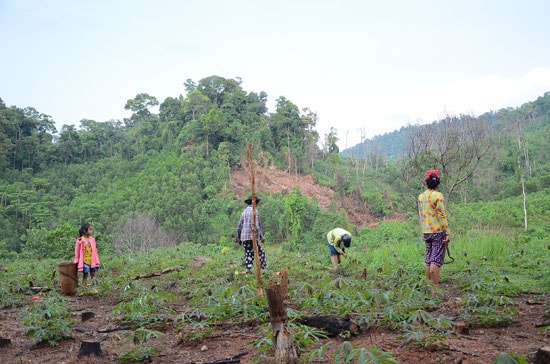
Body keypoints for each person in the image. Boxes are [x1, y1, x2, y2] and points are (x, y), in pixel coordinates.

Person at [418, 169, 450, 285]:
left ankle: (428, 286)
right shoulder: (438, 196)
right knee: (435, 260)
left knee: (429, 259)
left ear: (427, 181)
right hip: (437, 231)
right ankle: (434, 288)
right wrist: (447, 232)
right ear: (438, 182)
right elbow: (441, 215)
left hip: (426, 232)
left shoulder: (421, 197)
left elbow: (421, 214)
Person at [236, 196, 267, 273]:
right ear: (255, 203)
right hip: (252, 236)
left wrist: (239, 238)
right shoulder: (255, 211)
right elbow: (257, 226)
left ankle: (249, 270)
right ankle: (264, 269)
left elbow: (239, 226)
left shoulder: (244, 212)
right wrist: (261, 237)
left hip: (244, 237)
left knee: (248, 253)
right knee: (261, 252)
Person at [73, 222, 100, 295]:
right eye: (90, 229)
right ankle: (83, 290)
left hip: (92, 260)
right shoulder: (80, 241)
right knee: (85, 275)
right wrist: (76, 260)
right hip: (85, 261)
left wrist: (97, 259)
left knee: (93, 274)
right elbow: (77, 251)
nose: (91, 231)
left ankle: (94, 289)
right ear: (85, 231)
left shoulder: (92, 239)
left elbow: (94, 250)